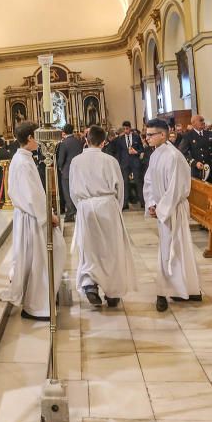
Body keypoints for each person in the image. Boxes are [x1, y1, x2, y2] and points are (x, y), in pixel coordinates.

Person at [0, 121, 65, 320]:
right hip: (33, 218)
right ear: (29, 137)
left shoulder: (24, 158)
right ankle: (36, 307)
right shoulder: (22, 161)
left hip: (32, 216)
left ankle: (42, 300)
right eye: (38, 136)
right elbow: (31, 196)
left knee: (39, 259)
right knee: (40, 261)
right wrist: (49, 215)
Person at [69, 125, 136, 308]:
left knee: (89, 248)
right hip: (108, 206)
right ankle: (112, 292)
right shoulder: (110, 161)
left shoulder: (76, 161)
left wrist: (80, 207)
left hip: (85, 206)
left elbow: (73, 190)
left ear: (86, 140)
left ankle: (90, 285)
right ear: (104, 141)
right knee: (111, 249)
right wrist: (116, 207)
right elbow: (119, 188)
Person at [143, 119, 201, 312]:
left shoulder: (173, 156)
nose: (147, 137)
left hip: (173, 209)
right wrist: (151, 203)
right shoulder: (155, 155)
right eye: (146, 134)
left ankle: (175, 289)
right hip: (163, 209)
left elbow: (176, 188)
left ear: (162, 135)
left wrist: (161, 208)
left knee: (175, 249)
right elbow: (149, 181)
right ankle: (180, 288)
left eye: (150, 134)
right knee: (169, 250)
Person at [56, 123, 84, 222]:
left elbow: (61, 159)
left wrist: (60, 167)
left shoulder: (64, 143)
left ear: (64, 131)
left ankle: (70, 214)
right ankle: (79, 211)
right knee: (77, 192)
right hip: (78, 171)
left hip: (67, 172)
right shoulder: (78, 141)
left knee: (68, 193)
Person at [115, 120, 144, 210]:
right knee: (124, 182)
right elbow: (118, 152)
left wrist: (136, 152)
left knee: (138, 182)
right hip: (124, 163)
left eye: (127, 129)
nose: (125, 130)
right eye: (124, 129)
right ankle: (125, 203)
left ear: (130, 128)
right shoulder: (120, 139)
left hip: (135, 161)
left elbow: (141, 149)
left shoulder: (136, 137)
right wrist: (119, 163)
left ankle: (142, 202)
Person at [180, 114, 212, 179]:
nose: (203, 122)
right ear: (193, 123)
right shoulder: (188, 136)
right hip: (198, 170)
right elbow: (182, 153)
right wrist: (194, 163)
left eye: (203, 120)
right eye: (201, 120)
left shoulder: (210, 134)